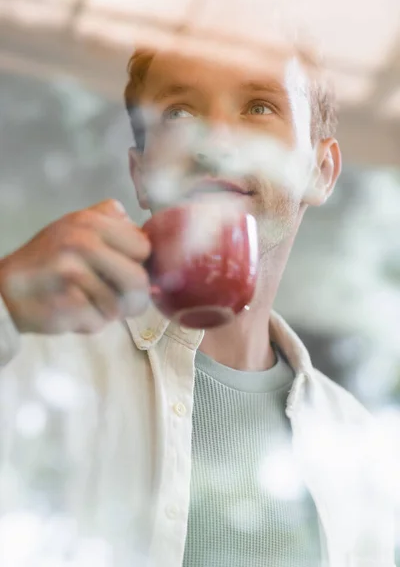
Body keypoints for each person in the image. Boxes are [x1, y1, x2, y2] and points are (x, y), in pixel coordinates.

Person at [0, 43, 394, 567]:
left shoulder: (359, 447)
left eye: (259, 107)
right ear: (140, 176)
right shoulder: (28, 358)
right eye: (178, 113)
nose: (215, 142)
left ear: (321, 170)